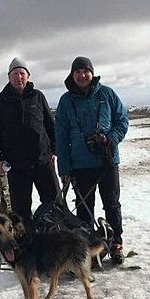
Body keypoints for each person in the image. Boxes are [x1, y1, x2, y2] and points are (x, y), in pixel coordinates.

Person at [55, 56, 128, 265]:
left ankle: (116, 244)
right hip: (80, 164)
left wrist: (110, 138)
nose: (82, 75)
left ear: (92, 72)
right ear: (72, 75)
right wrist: (64, 168)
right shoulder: (66, 101)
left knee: (112, 204)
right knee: (84, 208)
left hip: (107, 160)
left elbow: (122, 120)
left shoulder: (107, 94)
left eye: (85, 71)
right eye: (77, 71)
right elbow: (61, 137)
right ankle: (86, 250)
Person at [0, 57, 60, 229]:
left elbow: (50, 126)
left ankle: (56, 240)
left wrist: (55, 152)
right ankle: (28, 245)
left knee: (54, 205)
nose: (19, 77)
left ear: (27, 76)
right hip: (16, 166)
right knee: (21, 211)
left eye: (22, 73)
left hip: (43, 162)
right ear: (9, 77)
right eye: (15, 74)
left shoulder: (38, 97)